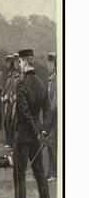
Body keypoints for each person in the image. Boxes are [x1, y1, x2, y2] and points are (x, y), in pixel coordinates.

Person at [3, 49, 52, 198]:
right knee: (40, 176)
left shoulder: (21, 84)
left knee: (19, 178)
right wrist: (43, 130)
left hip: (22, 138)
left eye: (20, 63)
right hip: (36, 137)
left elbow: (23, 113)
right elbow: (47, 111)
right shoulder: (41, 83)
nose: (19, 66)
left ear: (24, 62)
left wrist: (37, 131)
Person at [46, 52, 57, 182]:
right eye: (48, 63)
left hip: (56, 115)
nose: (49, 66)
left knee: (53, 143)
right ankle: (52, 171)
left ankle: (54, 173)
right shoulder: (51, 78)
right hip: (51, 114)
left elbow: (55, 101)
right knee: (50, 142)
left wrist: (50, 114)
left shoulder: (58, 78)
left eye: (51, 63)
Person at [1, 55, 15, 148]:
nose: (7, 64)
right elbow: (6, 87)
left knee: (8, 122)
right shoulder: (9, 74)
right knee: (6, 122)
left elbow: (12, 88)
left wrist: (7, 96)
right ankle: (8, 141)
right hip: (6, 101)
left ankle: (10, 142)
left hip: (10, 101)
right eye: (6, 62)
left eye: (8, 62)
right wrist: (2, 94)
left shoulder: (14, 74)